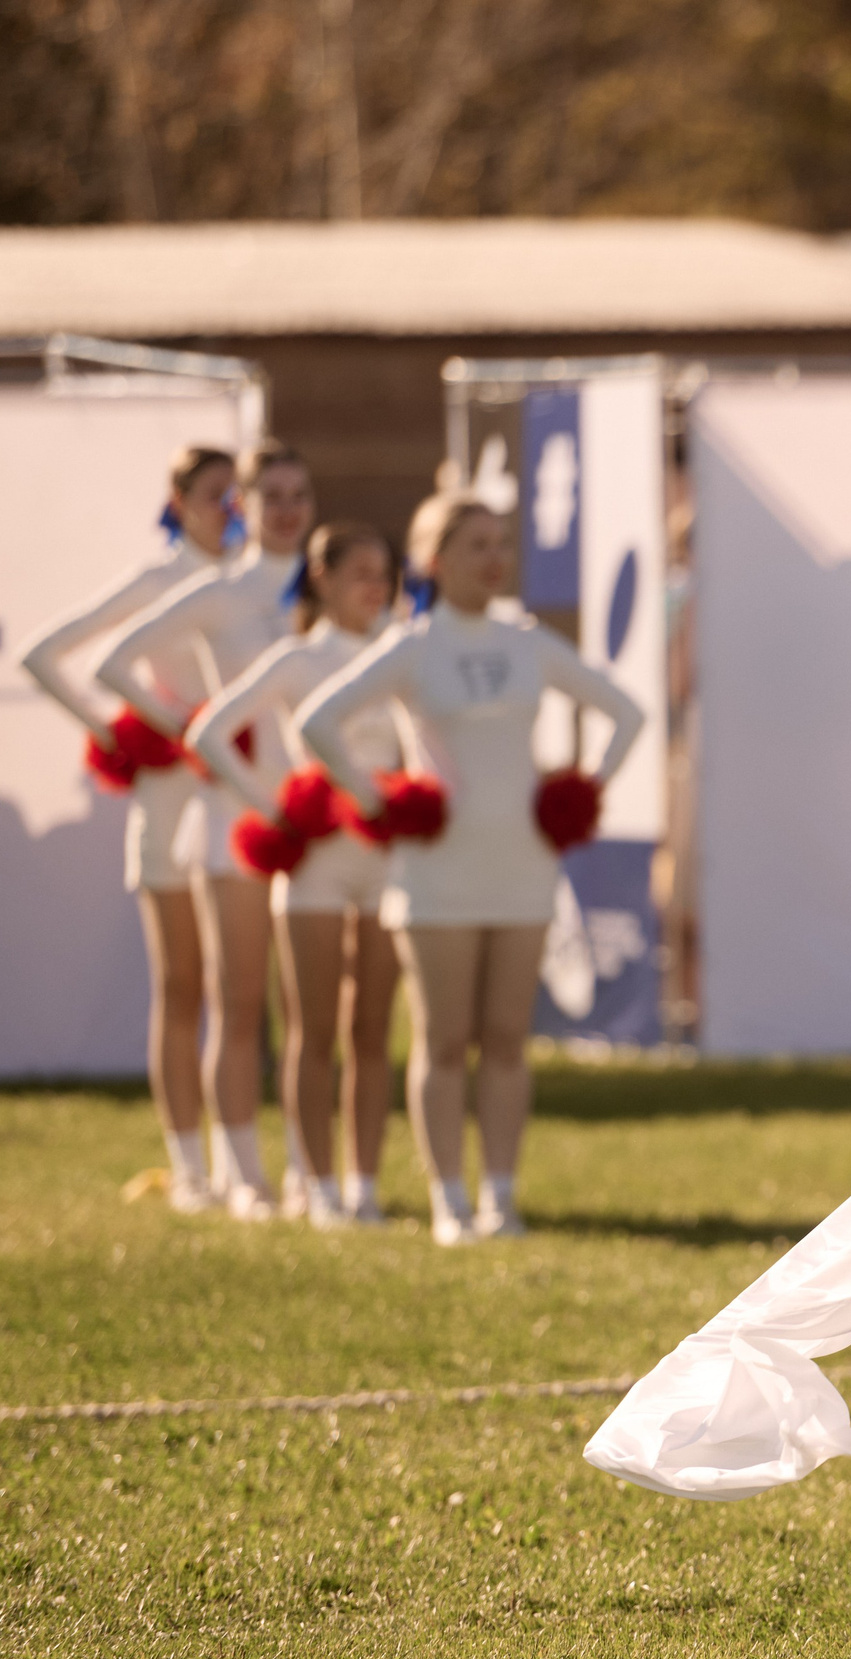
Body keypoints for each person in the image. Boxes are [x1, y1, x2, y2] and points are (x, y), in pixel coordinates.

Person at [298, 493, 647, 1247]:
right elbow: (317, 722)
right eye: (475, 546)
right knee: (444, 1039)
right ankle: (448, 1200)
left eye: (500, 544)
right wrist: (379, 801)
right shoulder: (413, 647)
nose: (495, 559)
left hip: (521, 867)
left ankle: (502, 1195)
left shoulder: (528, 641)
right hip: (435, 874)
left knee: (507, 1039)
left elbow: (625, 712)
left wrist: (581, 790)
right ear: (434, 560)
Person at [93, 441, 316, 1221]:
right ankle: (237, 1173)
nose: (288, 509)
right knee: (236, 999)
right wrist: (179, 730)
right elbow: (114, 664)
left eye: (300, 494)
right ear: (240, 507)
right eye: (271, 495)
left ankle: (309, 1176)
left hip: (317, 822)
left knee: (309, 1009)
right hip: (236, 820)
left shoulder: (323, 586)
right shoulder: (216, 593)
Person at [16, 444, 236, 1214]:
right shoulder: (157, 583)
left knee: (242, 991)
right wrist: (136, 732)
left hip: (239, 805)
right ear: (177, 500)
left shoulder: (256, 587)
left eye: (236, 493)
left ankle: (247, 1165)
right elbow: (45, 656)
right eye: (215, 494)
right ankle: (189, 1166)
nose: (230, 507)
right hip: (172, 800)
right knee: (182, 986)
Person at [186, 523, 405, 1230]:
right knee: (311, 1030)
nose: (376, 585)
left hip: (386, 864)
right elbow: (210, 733)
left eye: (385, 572)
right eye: (360, 572)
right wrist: (277, 810)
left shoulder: (402, 654)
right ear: (323, 579)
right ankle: (315, 1184)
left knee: (372, 1030)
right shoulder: (295, 659)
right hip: (313, 863)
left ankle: (364, 1184)